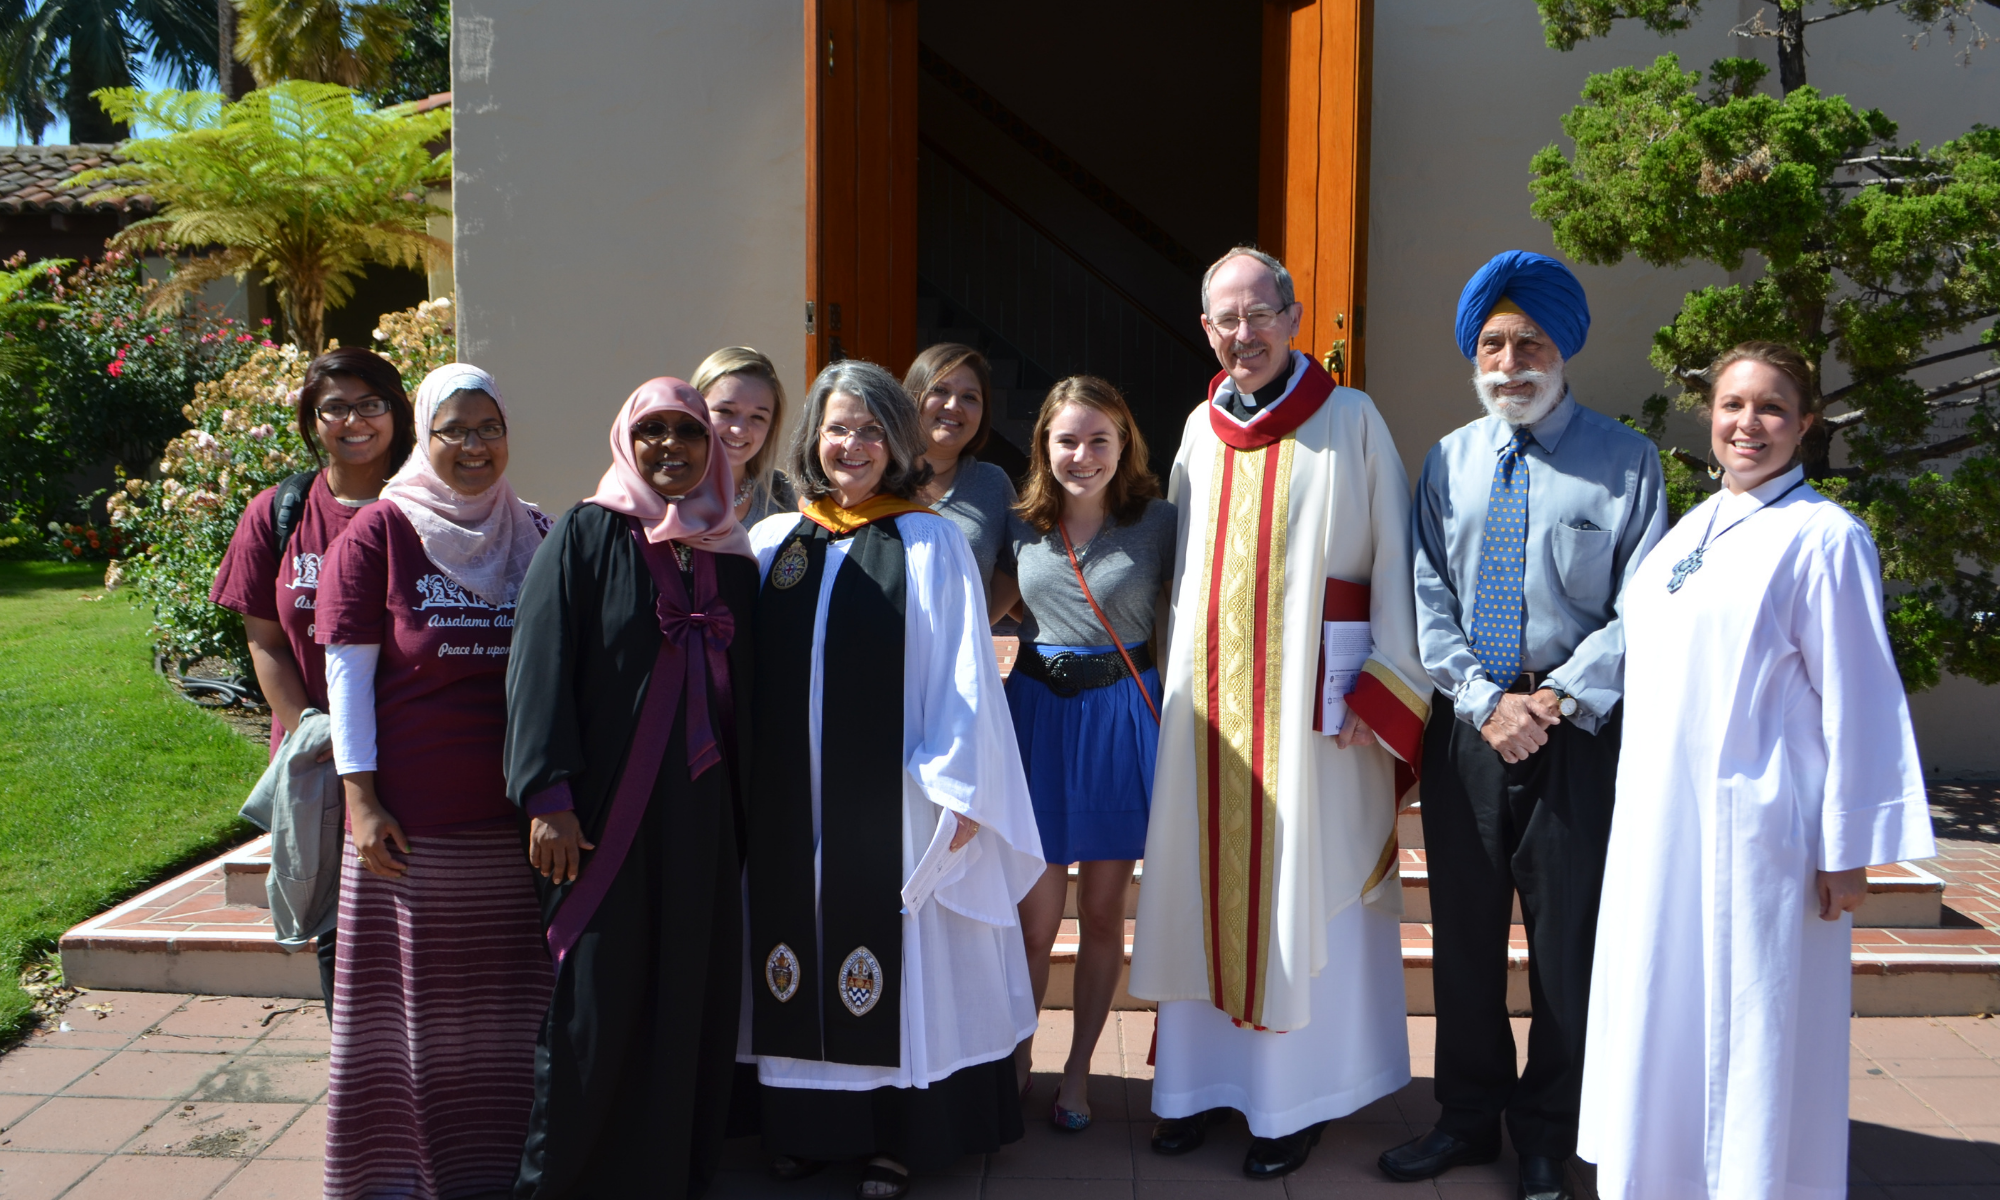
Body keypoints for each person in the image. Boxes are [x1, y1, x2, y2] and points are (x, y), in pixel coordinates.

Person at [1577, 343, 1935, 1200]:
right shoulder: (1694, 527)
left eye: (1772, 408)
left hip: (1759, 832)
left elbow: (1861, 695)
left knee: (1750, 1024)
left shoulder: (1824, 536)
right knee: (1664, 1011)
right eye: (1733, 405)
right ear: (1710, 417)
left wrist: (1847, 847)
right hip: (1663, 824)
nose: (1748, 424)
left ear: (1806, 424)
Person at [1128, 246, 1431, 1180]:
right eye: (1226, 318)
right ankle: (1195, 1090)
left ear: (1295, 320)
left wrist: (1377, 691)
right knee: (1200, 890)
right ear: (1206, 328)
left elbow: (1394, 562)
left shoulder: (1351, 418)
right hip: (1211, 721)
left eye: (1261, 314)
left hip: (1316, 721)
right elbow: (1174, 580)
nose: (1244, 333)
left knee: (1301, 894)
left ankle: (1292, 1101)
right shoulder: (1196, 428)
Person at [1385, 251, 1666, 1199]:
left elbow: (1647, 605)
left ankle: (1551, 1131)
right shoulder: (1449, 461)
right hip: (1470, 725)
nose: (1509, 362)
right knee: (1462, 938)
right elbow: (1427, 591)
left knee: (1566, 948)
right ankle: (1464, 1120)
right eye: (1493, 344)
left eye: (1528, 342)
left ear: (1563, 348)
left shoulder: (1628, 461)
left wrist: (1553, 702)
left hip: (1575, 731)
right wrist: (1483, 701)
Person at [745, 360, 1044, 1200]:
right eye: (838, 427)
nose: (854, 445)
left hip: (900, 800)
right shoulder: (772, 543)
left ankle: (896, 1138)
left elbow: (964, 674)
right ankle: (806, 1125)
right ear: (813, 436)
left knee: (900, 958)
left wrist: (958, 789)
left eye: (873, 429)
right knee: (790, 943)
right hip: (789, 808)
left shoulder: (930, 541)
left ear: (900, 443)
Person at [505, 377, 759, 1198]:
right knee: (598, 1003)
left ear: (710, 447)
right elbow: (538, 669)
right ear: (626, 441)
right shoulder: (585, 535)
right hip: (604, 819)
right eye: (651, 433)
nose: (670, 450)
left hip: (704, 821)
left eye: (687, 434)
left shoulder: (731, 554)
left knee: (688, 992)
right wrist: (548, 798)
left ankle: (669, 1176)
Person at [315, 363, 552, 1200]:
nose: (475, 446)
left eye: (489, 426)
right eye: (455, 429)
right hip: (412, 834)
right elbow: (347, 677)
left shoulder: (536, 531)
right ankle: (410, 1179)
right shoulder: (380, 533)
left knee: (510, 1021)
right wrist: (362, 800)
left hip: (518, 832)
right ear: (424, 435)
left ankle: (506, 1175)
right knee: (414, 1028)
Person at [990, 375, 1174, 1132]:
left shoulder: (1159, 522)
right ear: (1044, 446)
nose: (1083, 454)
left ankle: (1079, 1071)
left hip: (1120, 722)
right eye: (1067, 439)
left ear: (1124, 443)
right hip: (1036, 720)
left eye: (1100, 438)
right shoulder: (1019, 525)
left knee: (1102, 916)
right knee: (1034, 922)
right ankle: (1018, 1056)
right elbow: (975, 609)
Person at [210, 347, 416, 1011]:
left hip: (421, 753)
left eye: (371, 403)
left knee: (422, 917)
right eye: (335, 407)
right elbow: (265, 639)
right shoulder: (280, 512)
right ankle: (359, 1082)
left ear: (397, 411)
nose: (354, 420)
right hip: (321, 763)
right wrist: (312, 730)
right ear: (311, 420)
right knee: (337, 928)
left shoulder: (431, 504)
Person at [904, 343, 1017, 596]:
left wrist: (974, 623)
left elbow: (1016, 569)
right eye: (940, 390)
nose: (953, 405)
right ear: (913, 396)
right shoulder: (875, 474)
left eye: (970, 397)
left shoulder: (992, 483)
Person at [696, 345, 796, 524]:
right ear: (695, 409)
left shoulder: (777, 489)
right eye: (725, 411)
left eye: (757, 417)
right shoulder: (669, 487)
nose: (739, 430)